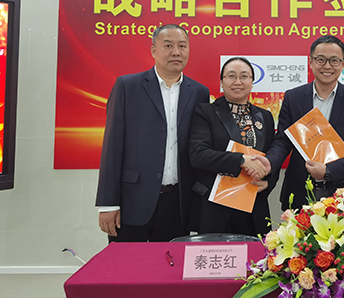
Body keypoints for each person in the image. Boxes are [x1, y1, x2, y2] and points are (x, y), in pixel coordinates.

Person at [95, 24, 209, 242]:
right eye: (168, 45)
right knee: (128, 263)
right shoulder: (128, 86)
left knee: (170, 263)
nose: (176, 52)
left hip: (178, 205)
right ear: (153, 50)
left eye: (182, 46)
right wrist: (108, 204)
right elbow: (112, 147)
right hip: (132, 201)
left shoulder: (199, 92)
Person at [260, 35, 344, 211]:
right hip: (300, 191)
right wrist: (270, 162)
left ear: (343, 64)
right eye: (321, 59)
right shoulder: (293, 97)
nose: (327, 66)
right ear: (311, 62)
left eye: (334, 60)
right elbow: (283, 141)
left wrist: (328, 171)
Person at [188, 57, 275, 236]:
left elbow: (271, 156)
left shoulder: (265, 116)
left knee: (256, 253)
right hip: (216, 208)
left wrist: (268, 183)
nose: (238, 82)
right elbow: (198, 155)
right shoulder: (205, 112)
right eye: (231, 76)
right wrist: (241, 160)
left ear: (252, 81)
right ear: (222, 82)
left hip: (253, 206)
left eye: (244, 76)